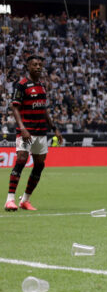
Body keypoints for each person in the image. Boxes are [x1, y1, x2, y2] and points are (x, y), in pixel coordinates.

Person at [6, 54, 63, 211]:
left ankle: (25, 200)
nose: (38, 67)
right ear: (28, 67)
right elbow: (15, 107)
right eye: (34, 64)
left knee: (39, 165)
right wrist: (22, 128)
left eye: (40, 64)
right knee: (22, 160)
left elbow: (43, 109)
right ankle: (10, 199)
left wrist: (54, 128)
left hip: (41, 132)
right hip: (27, 132)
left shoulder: (42, 86)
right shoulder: (22, 85)